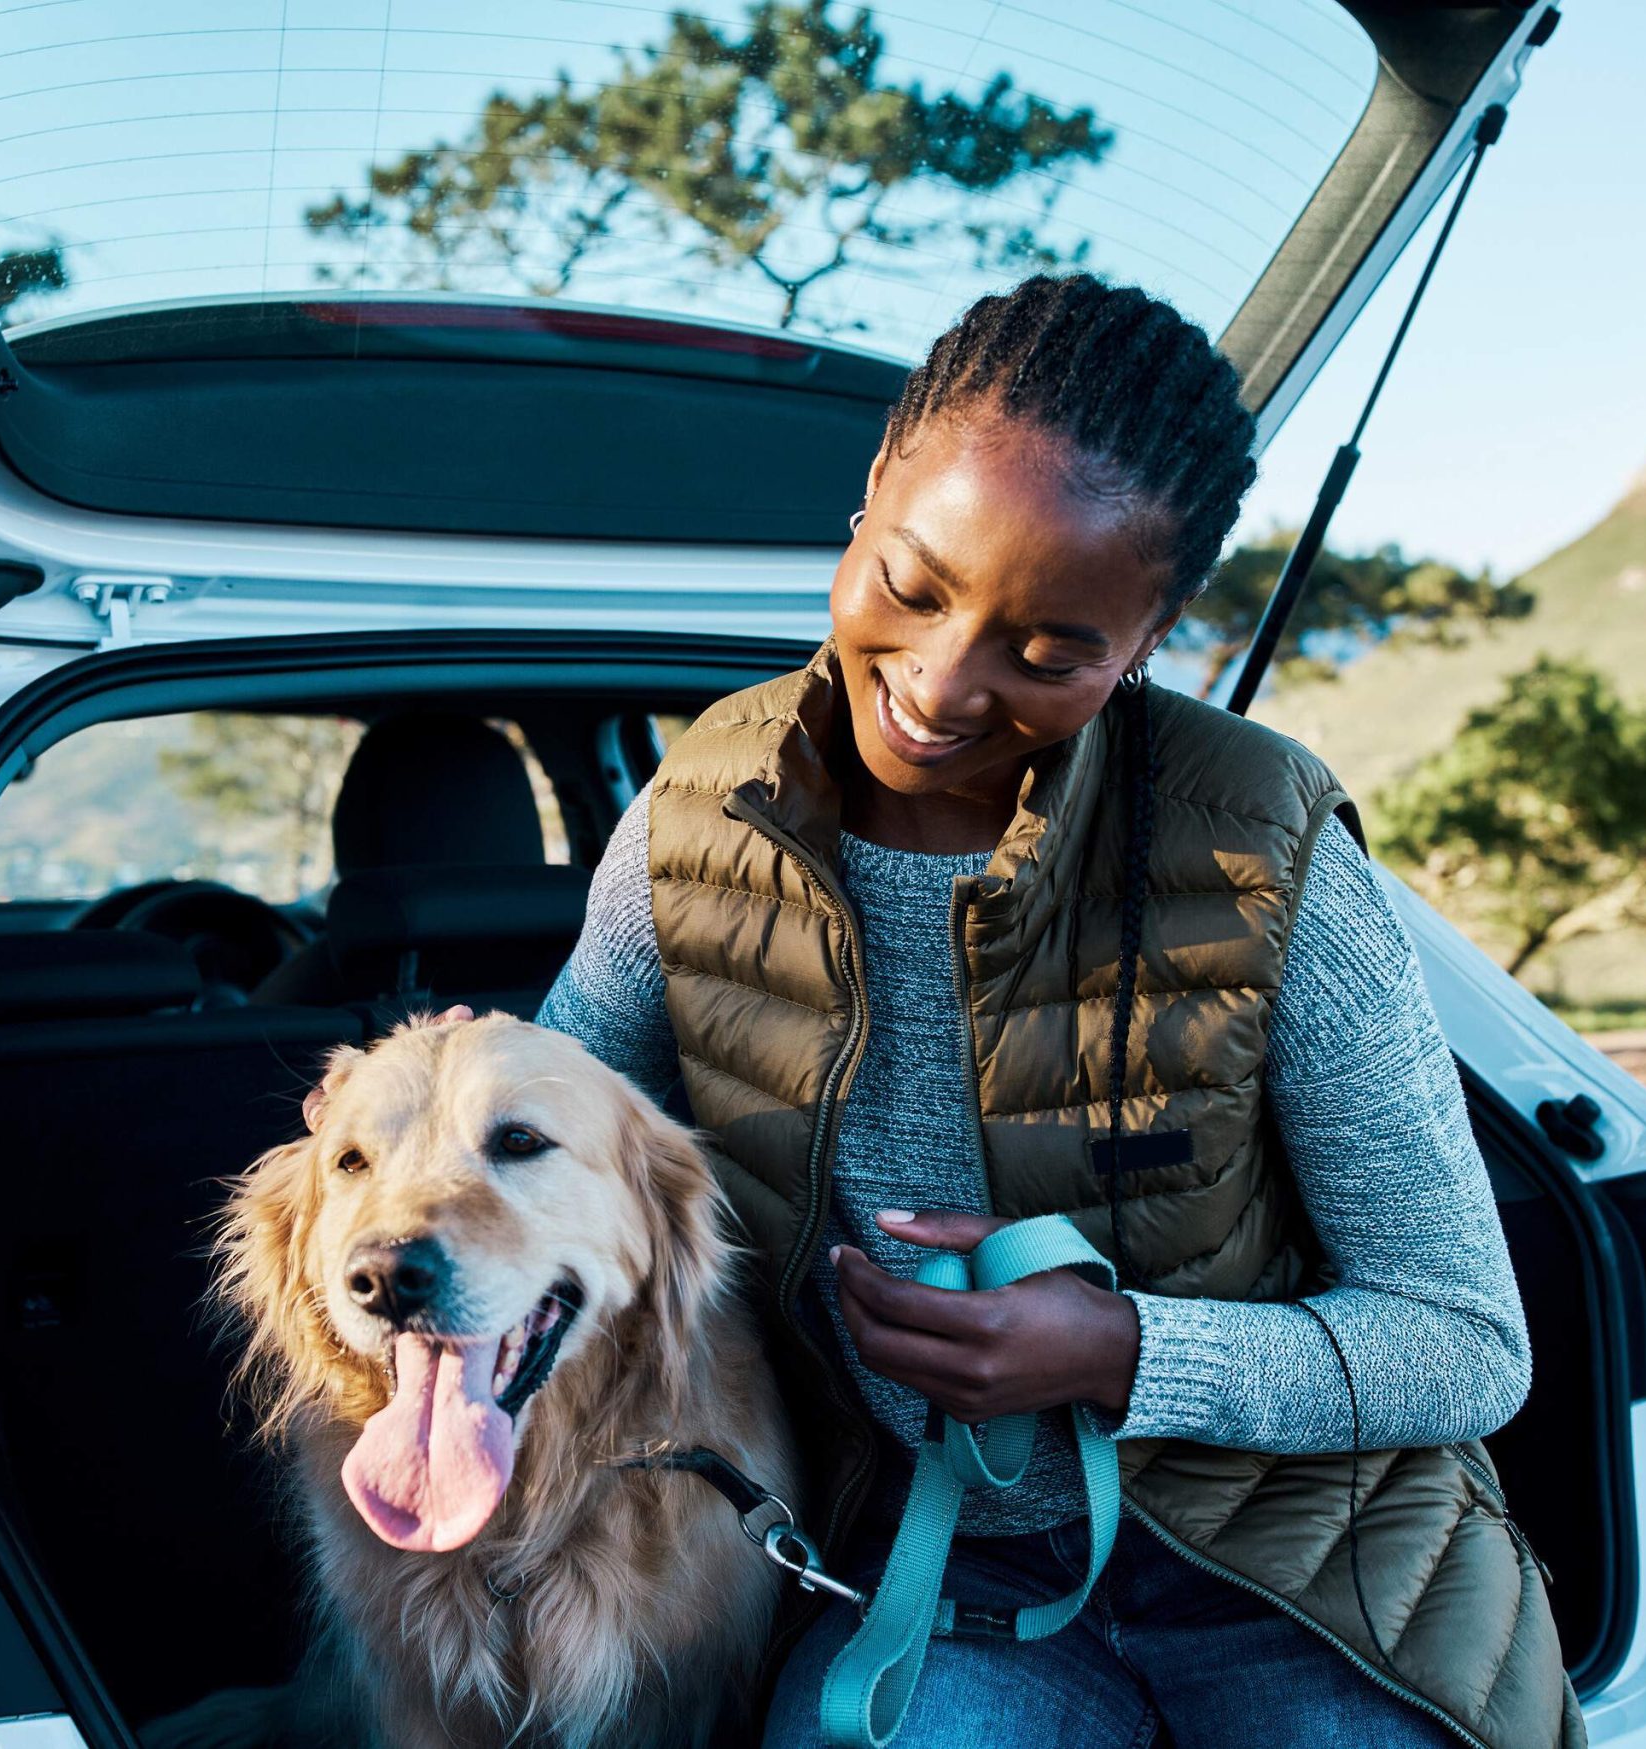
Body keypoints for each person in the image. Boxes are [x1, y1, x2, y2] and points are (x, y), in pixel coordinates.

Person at [534, 273, 1582, 1749]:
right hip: (936, 1566)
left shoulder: (1261, 843)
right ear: (870, 492)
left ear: (1146, 640)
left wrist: (1123, 1354)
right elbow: (542, 1154)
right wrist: (418, 1110)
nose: (942, 685)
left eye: (1051, 653)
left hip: (1301, 1575)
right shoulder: (697, 819)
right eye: (911, 581)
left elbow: (1467, 1339)